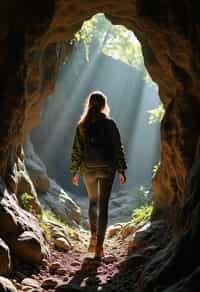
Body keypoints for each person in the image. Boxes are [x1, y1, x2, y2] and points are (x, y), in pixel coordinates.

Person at [70, 91, 127, 258]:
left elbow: (76, 150)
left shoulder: (82, 124)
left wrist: (74, 170)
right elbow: (118, 147)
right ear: (103, 105)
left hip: (88, 169)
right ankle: (99, 248)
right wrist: (122, 169)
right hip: (107, 169)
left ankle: (93, 237)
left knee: (93, 202)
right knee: (104, 206)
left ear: (89, 104)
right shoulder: (110, 124)